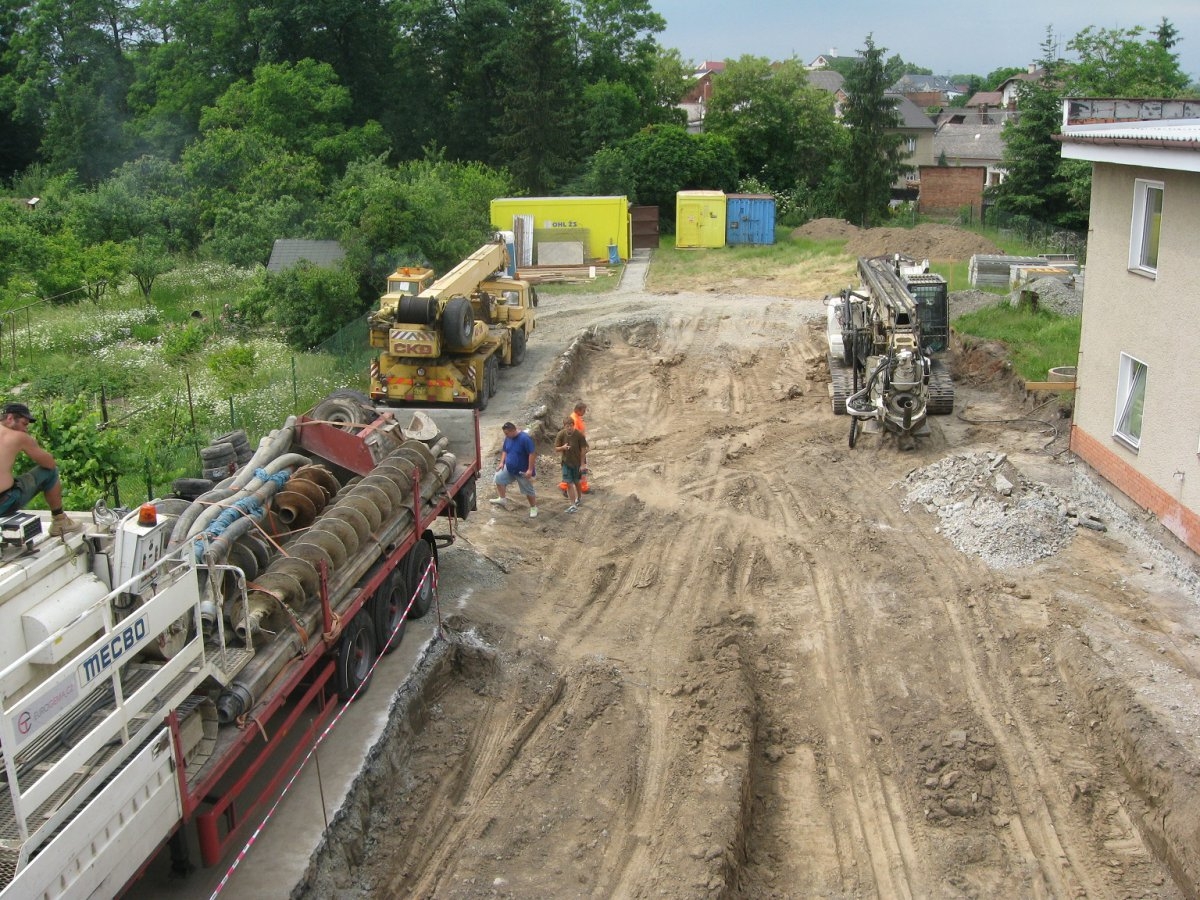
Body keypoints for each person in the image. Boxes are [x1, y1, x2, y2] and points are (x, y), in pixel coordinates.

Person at [0, 402, 83, 537]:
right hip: (4, 503)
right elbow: (49, 463)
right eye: (24, 424)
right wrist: (32, 443)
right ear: (10, 418)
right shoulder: (19, 437)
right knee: (50, 472)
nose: (25, 429)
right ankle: (59, 522)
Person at [491, 421, 538, 518]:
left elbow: (532, 453)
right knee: (498, 478)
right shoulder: (508, 438)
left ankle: (533, 507)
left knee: (528, 490)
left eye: (507, 433)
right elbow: (505, 450)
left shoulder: (525, 439)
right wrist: (501, 462)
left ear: (513, 430)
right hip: (509, 468)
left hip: (523, 471)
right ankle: (502, 499)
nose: (506, 435)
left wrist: (529, 469)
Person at [553, 416, 589, 513]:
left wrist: (582, 464)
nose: (569, 428)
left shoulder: (579, 435)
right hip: (566, 462)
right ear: (564, 426)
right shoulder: (561, 434)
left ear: (573, 425)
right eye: (567, 426)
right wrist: (563, 448)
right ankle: (573, 505)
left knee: (577, 482)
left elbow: (583, 450)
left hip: (577, 463)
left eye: (571, 425)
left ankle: (579, 498)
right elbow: (556, 448)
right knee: (569, 483)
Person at [559, 401, 590, 497]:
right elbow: (574, 436)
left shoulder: (576, 417)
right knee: (577, 468)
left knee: (581, 468)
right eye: (583, 410)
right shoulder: (574, 420)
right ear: (578, 410)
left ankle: (582, 486)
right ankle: (565, 487)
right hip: (577, 450)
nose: (585, 412)